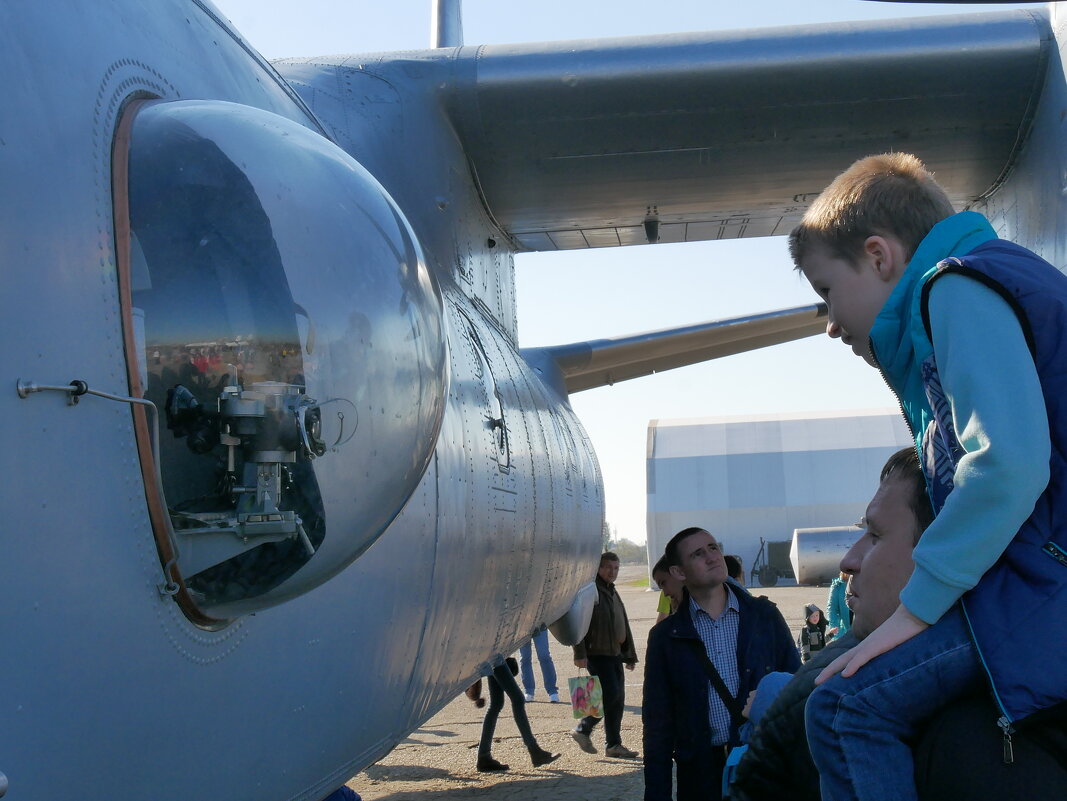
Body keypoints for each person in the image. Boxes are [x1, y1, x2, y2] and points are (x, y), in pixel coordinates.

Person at [790, 152, 1067, 801]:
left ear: (879, 256)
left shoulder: (954, 287)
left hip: (1041, 591)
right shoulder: (990, 280)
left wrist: (916, 610)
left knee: (841, 709)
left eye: (826, 291)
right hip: (1037, 583)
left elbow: (1006, 464)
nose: (829, 323)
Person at [728, 447, 1067, 801]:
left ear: (951, 552)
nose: (848, 559)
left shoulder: (972, 749)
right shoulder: (841, 671)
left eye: (874, 535)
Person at [643, 527, 799, 801]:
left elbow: (797, 690)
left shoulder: (764, 616)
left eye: (713, 548)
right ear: (679, 572)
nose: (712, 557)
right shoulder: (665, 638)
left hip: (763, 765)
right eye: (698, 554)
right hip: (701, 775)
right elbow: (658, 726)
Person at [571, 551, 640, 759]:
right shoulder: (591, 590)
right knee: (609, 695)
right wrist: (580, 653)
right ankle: (583, 729)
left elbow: (621, 623)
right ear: (598, 568)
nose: (612, 572)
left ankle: (613, 745)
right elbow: (577, 623)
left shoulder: (611, 590)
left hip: (614, 653)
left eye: (616, 568)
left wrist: (629, 655)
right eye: (608, 567)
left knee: (617, 699)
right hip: (597, 653)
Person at [475, 658, 560, 772]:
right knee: (517, 699)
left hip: (493, 658)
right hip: (495, 658)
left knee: (496, 704)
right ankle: (534, 751)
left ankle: (484, 757)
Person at [519, 630, 559, 703]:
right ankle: (528, 690)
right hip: (522, 626)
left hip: (539, 624)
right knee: (525, 658)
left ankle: (552, 691)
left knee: (544, 656)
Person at [652, 555, 684, 623]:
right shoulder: (670, 594)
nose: (665, 593)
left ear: (677, 572)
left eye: (663, 583)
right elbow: (661, 623)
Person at [825, 570, 849, 641]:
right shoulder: (838, 585)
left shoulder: (864, 583)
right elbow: (832, 609)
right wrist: (835, 629)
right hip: (844, 631)